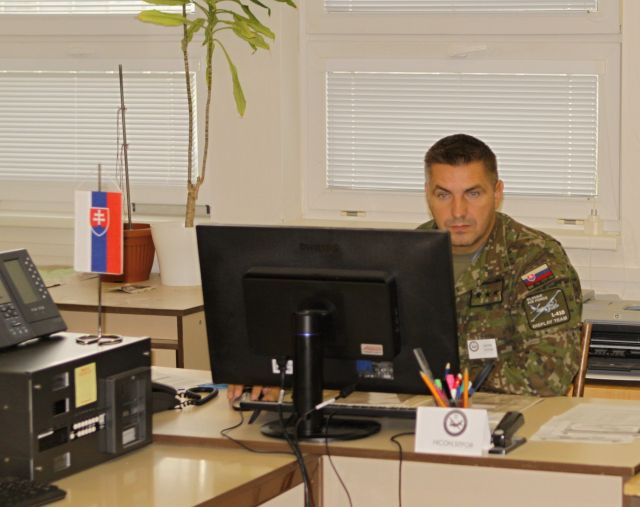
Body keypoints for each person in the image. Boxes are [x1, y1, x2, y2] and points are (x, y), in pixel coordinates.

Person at [418, 133, 582, 396]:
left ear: (496, 193)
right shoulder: (409, 254)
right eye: (444, 195)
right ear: (428, 194)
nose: (458, 211)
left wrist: (452, 377)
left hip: (510, 414)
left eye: (473, 193)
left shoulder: (534, 259)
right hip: (418, 411)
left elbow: (548, 372)